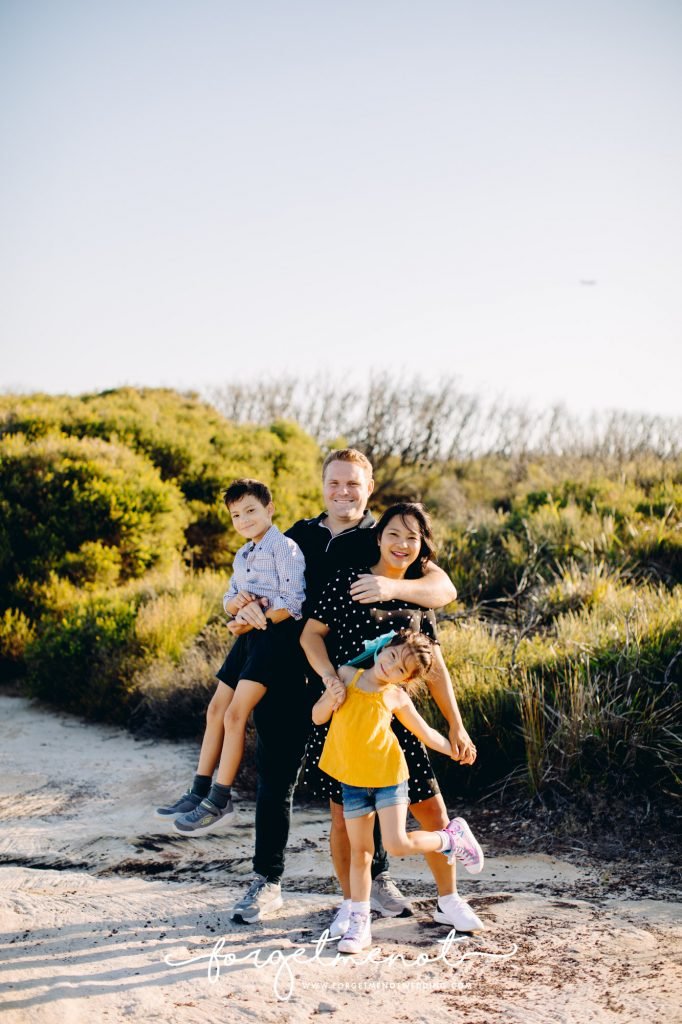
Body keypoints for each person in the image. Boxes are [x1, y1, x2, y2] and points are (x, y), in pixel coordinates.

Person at [301, 500, 483, 935]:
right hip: (345, 719)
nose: (402, 544)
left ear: (422, 547)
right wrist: (330, 679)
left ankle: (449, 901)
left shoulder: (420, 596)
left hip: (395, 723)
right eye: (394, 534)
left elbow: (435, 668)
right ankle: (351, 906)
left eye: (412, 538)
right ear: (378, 536)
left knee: (433, 812)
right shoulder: (347, 581)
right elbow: (311, 635)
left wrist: (455, 724)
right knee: (345, 823)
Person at [313, 630, 484, 953]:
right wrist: (329, 696)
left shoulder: (395, 696)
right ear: (383, 648)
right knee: (361, 853)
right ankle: (360, 927)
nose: (389, 668)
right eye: (390, 657)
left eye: (399, 670)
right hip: (352, 780)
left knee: (397, 843)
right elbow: (317, 717)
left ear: (406, 679)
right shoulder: (348, 675)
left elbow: (427, 733)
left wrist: (454, 750)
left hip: (389, 777)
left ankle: (451, 838)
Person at [155, 478, 305, 842]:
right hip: (247, 639)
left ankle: (220, 800)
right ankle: (199, 789)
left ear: (269, 509)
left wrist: (258, 616)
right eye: (236, 515)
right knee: (215, 710)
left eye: (251, 511)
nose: (244, 520)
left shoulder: (285, 548)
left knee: (237, 714)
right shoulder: (244, 554)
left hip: (275, 640)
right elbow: (230, 597)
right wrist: (237, 608)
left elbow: (294, 601)